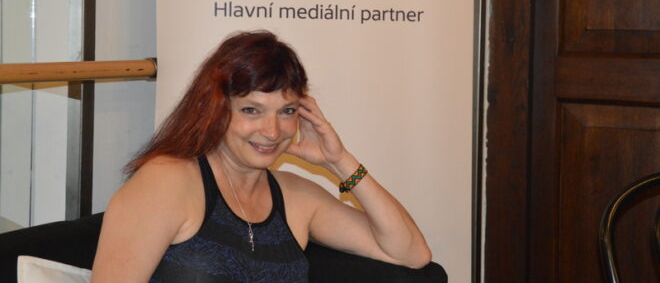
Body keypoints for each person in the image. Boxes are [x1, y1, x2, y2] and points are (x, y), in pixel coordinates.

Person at [91, 30, 431, 283]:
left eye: (286, 111)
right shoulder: (166, 181)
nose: (272, 131)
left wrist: (339, 161)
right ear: (216, 110)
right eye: (251, 110)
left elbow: (411, 253)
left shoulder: (296, 196)